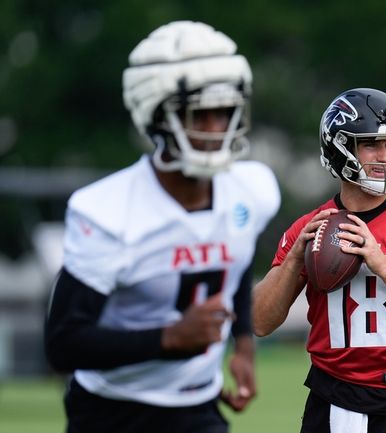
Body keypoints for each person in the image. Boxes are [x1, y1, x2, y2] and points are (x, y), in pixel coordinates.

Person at [44, 20, 280, 433]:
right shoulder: (108, 211)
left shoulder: (252, 190)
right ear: (156, 115)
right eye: (198, 114)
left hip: (199, 406)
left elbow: (235, 264)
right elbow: (63, 344)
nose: (213, 130)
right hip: (112, 411)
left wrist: (243, 343)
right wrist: (168, 338)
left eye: (223, 113)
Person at [251, 88, 386, 433]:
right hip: (330, 391)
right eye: (371, 144)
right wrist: (293, 261)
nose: (385, 156)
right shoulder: (311, 226)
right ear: (340, 147)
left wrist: (384, 267)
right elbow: (259, 322)